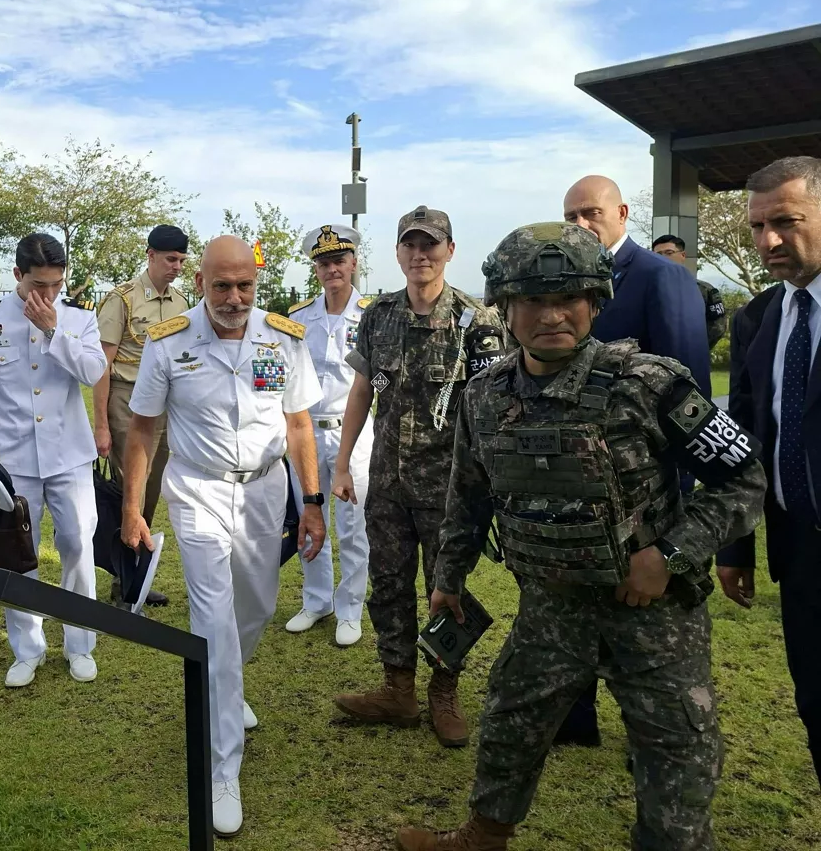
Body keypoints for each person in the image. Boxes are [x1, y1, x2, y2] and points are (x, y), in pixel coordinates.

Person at [396, 222, 765, 851]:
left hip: (652, 616)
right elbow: (469, 496)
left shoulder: (649, 385)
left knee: (676, 750)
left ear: (595, 301)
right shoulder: (485, 397)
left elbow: (744, 478)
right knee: (510, 725)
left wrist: (668, 555)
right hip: (549, 610)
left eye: (569, 298)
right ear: (506, 307)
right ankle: (483, 837)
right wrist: (448, 581)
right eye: (533, 300)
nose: (552, 315)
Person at [120, 236, 326, 838]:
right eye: (221, 286)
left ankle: (227, 689)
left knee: (256, 605)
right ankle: (222, 768)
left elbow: (298, 424)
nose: (234, 299)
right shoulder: (169, 341)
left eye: (245, 286)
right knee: (212, 619)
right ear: (201, 282)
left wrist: (310, 503)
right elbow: (142, 429)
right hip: (198, 490)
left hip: (264, 489)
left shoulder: (283, 337)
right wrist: (134, 509)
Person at [331, 207, 503, 749]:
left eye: (431, 245)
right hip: (387, 484)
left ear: (451, 250)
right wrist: (341, 463)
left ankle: (443, 691)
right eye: (410, 245)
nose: (420, 255)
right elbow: (362, 391)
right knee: (388, 588)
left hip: (451, 491)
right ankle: (398, 689)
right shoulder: (378, 315)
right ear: (398, 252)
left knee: (445, 591)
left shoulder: (479, 322)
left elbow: (494, 410)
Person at [558, 174, 713, 746]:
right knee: (573, 605)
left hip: (643, 491)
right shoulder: (565, 281)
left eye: (591, 213)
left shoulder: (661, 278)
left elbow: (685, 388)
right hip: (576, 483)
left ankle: (652, 735)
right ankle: (574, 720)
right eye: (570, 214)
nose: (580, 224)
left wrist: (679, 505)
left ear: (621, 213)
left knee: (642, 615)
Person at [0, 233, 108, 688]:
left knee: (78, 543)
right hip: (13, 455)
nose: (49, 294)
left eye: (58, 285)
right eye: (40, 284)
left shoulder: (78, 319)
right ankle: (27, 647)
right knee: (18, 554)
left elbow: (95, 373)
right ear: (18, 275)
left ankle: (80, 643)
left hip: (69, 453)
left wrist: (54, 329)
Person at [716, 156, 821, 787]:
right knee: (815, 707)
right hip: (800, 553)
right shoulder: (758, 316)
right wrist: (736, 546)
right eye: (758, 227)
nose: (768, 241)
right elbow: (744, 444)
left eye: (785, 221)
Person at [281, 224, 373, 646]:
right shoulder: (298, 319)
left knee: (354, 524)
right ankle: (317, 599)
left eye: (339, 260)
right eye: (323, 263)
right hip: (305, 434)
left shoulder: (373, 315)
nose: (332, 268)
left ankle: (350, 608)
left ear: (354, 263)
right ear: (315, 269)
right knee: (307, 516)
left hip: (353, 435)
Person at [93, 223, 190, 607]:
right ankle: (125, 579)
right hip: (126, 401)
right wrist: (101, 424)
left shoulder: (182, 302)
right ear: (150, 255)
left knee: (150, 490)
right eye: (170, 259)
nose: (177, 266)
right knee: (128, 488)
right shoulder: (123, 300)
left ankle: (133, 570)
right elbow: (102, 364)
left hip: (165, 405)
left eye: (182, 260)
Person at [651, 234, 728, 348]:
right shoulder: (646, 289)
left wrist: (694, 349)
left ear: (683, 255)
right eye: (658, 254)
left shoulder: (704, 290)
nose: (663, 258)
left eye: (669, 253)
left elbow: (718, 327)